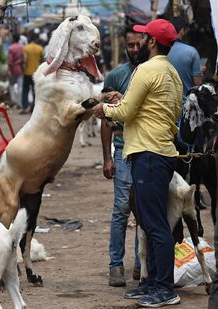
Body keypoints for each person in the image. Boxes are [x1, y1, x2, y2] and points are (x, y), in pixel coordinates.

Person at [93, 19, 183, 308]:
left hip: (148, 154)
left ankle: (165, 289)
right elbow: (161, 109)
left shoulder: (146, 70)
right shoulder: (173, 74)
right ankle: (151, 283)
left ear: (153, 42)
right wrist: (122, 102)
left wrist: (103, 108)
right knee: (148, 221)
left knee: (155, 225)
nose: (140, 43)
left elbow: (126, 113)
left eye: (144, 38)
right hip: (162, 152)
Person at [102, 25, 143, 288]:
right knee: (121, 211)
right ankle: (116, 265)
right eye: (131, 45)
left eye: (139, 44)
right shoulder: (116, 76)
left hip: (148, 151)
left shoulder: (152, 73)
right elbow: (106, 120)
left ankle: (141, 264)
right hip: (124, 153)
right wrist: (107, 157)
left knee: (146, 212)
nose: (135, 50)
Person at [167, 16, 202, 100]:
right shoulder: (192, 51)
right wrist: (199, 72)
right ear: (183, 31)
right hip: (186, 107)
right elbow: (197, 84)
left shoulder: (160, 50)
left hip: (165, 106)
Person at [21, 32, 44, 114]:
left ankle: (24, 107)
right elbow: (42, 61)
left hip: (27, 72)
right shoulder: (40, 48)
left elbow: (24, 60)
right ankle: (34, 108)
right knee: (35, 91)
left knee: (25, 90)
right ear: (36, 39)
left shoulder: (25, 48)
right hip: (36, 74)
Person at [7, 33, 24, 109]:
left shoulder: (11, 48)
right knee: (20, 87)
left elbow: (10, 61)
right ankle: (20, 103)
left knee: (11, 85)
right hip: (20, 68)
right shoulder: (22, 47)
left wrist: (9, 70)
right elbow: (24, 59)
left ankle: (13, 101)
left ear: (13, 39)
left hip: (13, 68)